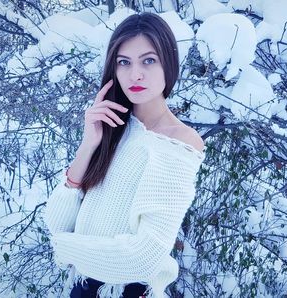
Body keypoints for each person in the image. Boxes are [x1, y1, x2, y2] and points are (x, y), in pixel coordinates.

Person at [43, 12, 205, 298]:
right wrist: (88, 144)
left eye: (148, 60)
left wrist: (65, 246)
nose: (135, 74)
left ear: (169, 63)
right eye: (124, 62)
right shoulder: (114, 127)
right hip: (84, 288)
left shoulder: (179, 143)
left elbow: (144, 257)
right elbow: (58, 223)